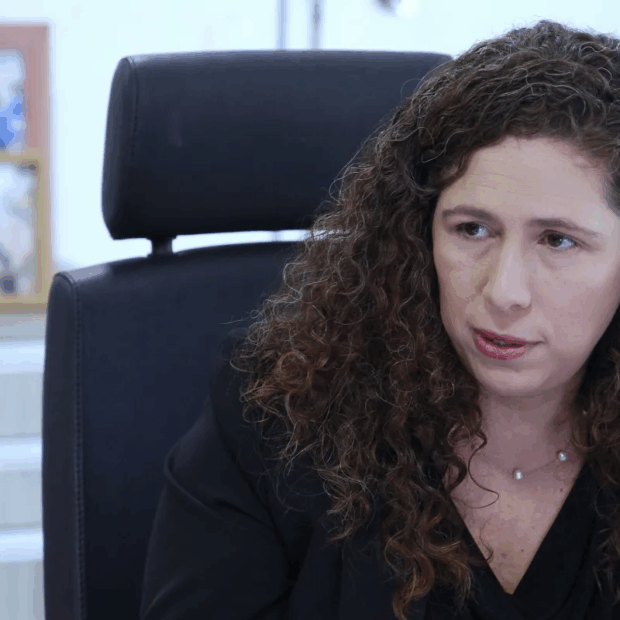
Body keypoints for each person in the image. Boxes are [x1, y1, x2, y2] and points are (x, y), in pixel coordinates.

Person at [139, 19, 620, 620]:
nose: (504, 292)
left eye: (558, 240)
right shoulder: (276, 420)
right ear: (420, 235)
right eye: (472, 229)